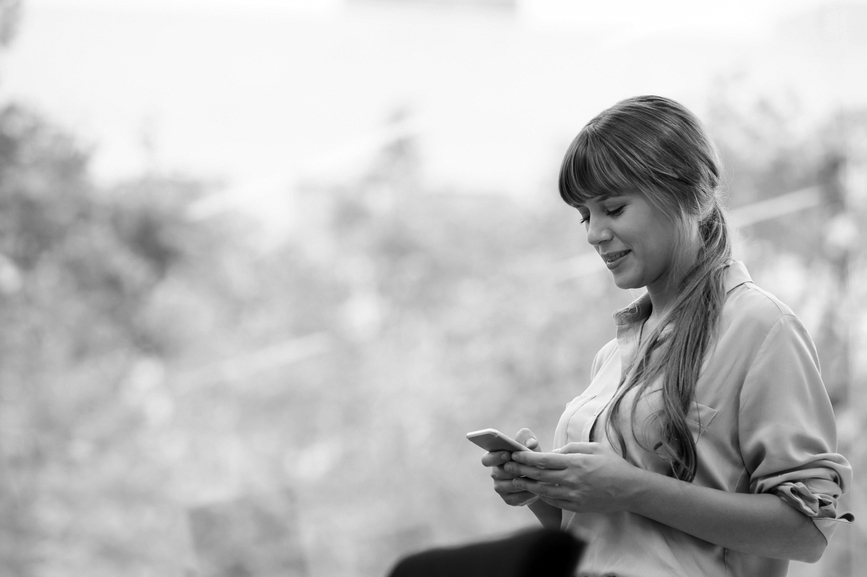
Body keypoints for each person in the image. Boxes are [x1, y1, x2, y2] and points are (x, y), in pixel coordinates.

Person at [481, 95, 853, 577]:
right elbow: (615, 539)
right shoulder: (613, 357)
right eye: (585, 215)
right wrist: (542, 492)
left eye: (612, 208)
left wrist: (629, 486)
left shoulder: (762, 329)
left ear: (694, 198)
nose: (594, 233)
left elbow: (806, 532)